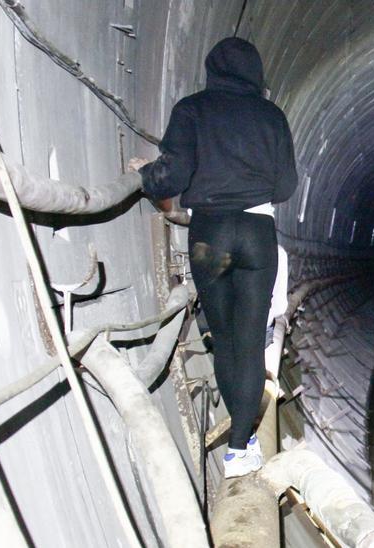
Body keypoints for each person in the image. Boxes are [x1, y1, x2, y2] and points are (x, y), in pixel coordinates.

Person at [132, 37, 298, 478]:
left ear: (212, 70)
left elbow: (174, 173)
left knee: (224, 339)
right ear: (256, 75)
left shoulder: (192, 109)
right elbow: (284, 188)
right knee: (248, 342)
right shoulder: (272, 116)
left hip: (211, 235)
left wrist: (142, 175)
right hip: (257, 236)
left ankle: (238, 444)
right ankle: (241, 448)